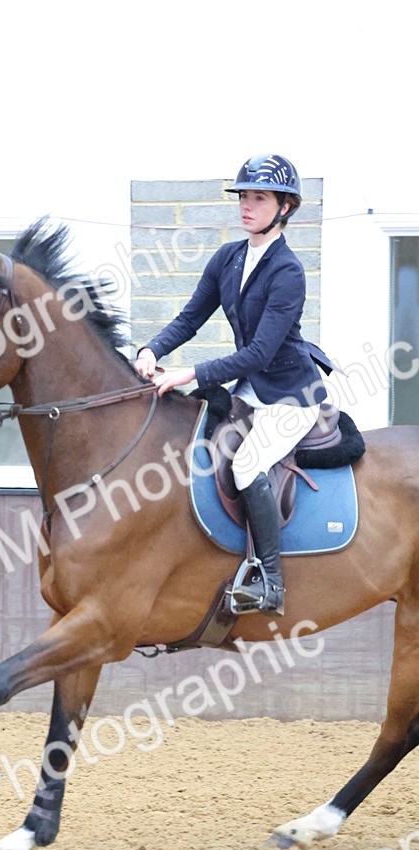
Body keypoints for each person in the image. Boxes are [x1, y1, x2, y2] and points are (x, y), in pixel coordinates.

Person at [136, 153, 334, 615]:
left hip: (291, 396)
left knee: (246, 466)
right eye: (243, 196)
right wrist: (152, 350)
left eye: (258, 198)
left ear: (285, 207)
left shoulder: (288, 272)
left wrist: (190, 374)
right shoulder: (228, 258)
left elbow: (260, 353)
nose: (246, 205)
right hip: (251, 388)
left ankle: (271, 582)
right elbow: (190, 317)